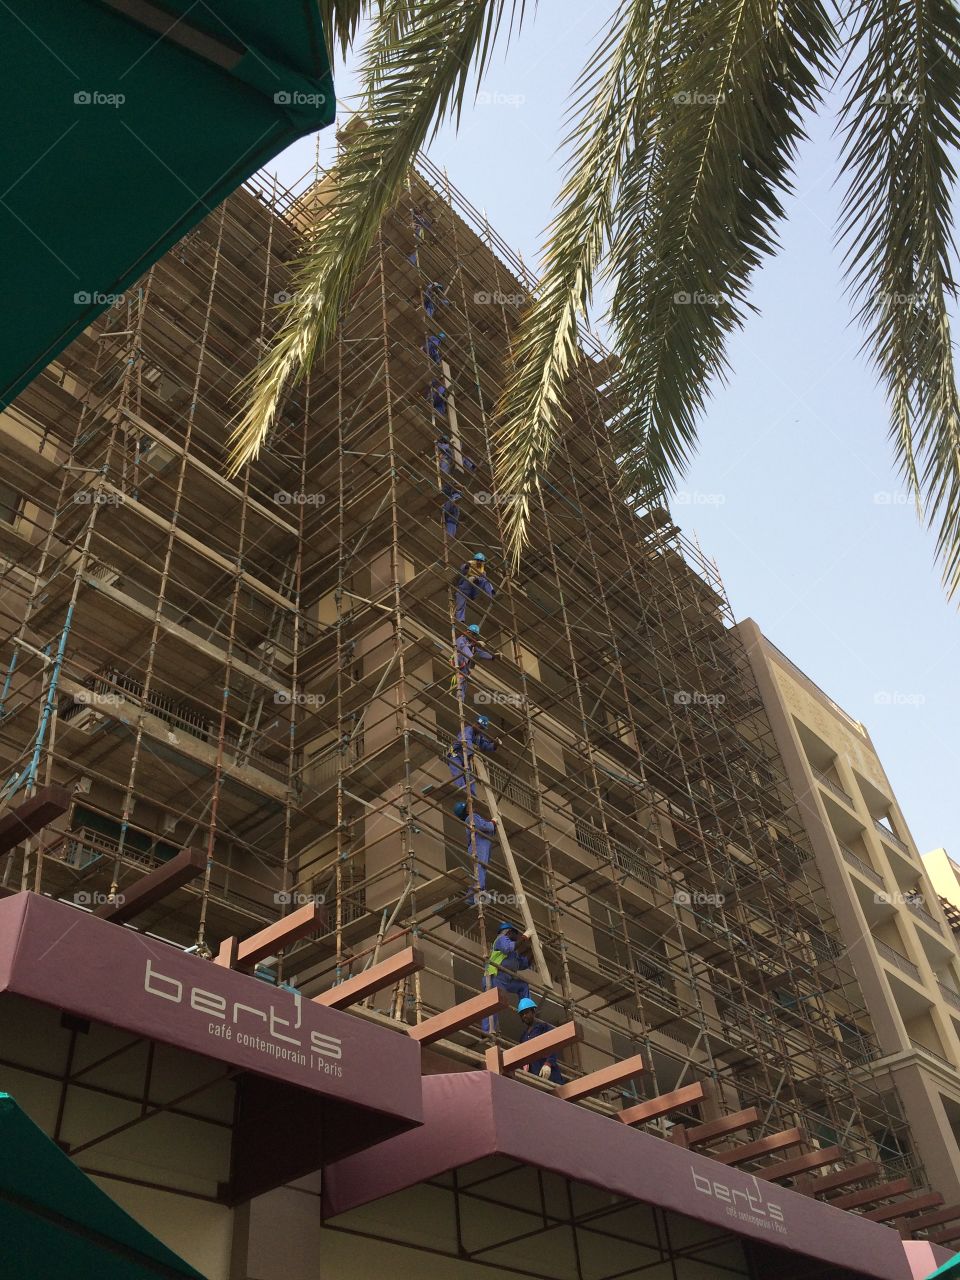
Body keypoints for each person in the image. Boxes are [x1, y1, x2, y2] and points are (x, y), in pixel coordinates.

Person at [482, 922, 531, 1032]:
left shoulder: (513, 953)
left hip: (507, 979)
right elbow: (508, 948)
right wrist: (524, 937)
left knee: (523, 986)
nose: (516, 937)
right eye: (515, 934)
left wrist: (532, 950)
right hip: (495, 978)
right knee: (492, 1003)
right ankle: (488, 1031)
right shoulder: (501, 939)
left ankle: (527, 1010)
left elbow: (522, 964)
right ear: (509, 932)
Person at [453, 799, 497, 897]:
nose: (471, 807)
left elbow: (487, 831)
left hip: (481, 845)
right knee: (480, 867)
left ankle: (479, 890)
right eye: (469, 807)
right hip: (478, 845)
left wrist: (492, 826)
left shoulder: (471, 819)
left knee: (482, 868)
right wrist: (493, 823)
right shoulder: (471, 817)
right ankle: (475, 892)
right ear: (467, 811)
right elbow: (484, 826)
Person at [518, 997, 566, 1084]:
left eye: (526, 1012)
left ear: (533, 1012)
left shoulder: (544, 1027)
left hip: (549, 1072)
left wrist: (548, 1063)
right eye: (522, 1014)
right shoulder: (523, 1037)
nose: (524, 1016)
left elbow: (553, 1045)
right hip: (534, 1074)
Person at [447, 708, 497, 789]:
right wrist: (471, 753)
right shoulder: (468, 730)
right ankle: (462, 790)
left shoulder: (479, 737)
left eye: (482, 729)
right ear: (475, 724)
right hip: (455, 755)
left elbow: (485, 745)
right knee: (458, 772)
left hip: (466, 758)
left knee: (470, 779)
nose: (480, 730)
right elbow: (467, 741)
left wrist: (495, 745)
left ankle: (473, 797)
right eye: (480, 727)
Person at [451, 624, 497, 701]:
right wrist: (474, 644)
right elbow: (462, 647)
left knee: (463, 681)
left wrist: (492, 657)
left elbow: (480, 652)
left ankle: (460, 699)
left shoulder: (472, 644)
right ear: (468, 632)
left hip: (464, 666)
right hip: (458, 660)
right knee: (465, 648)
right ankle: (470, 658)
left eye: (475, 635)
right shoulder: (461, 639)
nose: (474, 636)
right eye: (473, 634)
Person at [455, 552, 495, 623]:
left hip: (473, 591)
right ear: (475, 560)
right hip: (463, 590)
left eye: (481, 561)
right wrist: (466, 566)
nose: (479, 562)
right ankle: (460, 620)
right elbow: (463, 570)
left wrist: (477, 579)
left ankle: (492, 595)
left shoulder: (483, 572)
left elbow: (483, 580)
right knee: (460, 606)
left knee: (486, 581)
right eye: (477, 560)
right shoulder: (470, 565)